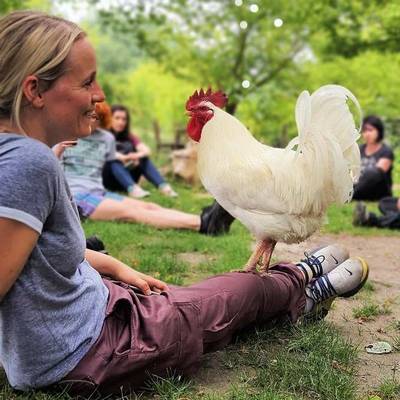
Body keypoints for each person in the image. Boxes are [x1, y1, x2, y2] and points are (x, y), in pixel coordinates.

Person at [0, 10, 369, 398]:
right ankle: (300, 285)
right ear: (35, 91)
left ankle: (291, 279)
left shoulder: (19, 155)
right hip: (94, 349)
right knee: (225, 297)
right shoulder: (29, 162)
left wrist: (115, 267)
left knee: (186, 296)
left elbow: (32, 254)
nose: (100, 95)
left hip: (93, 313)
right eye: (87, 81)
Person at [54, 101, 232, 233]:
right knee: (132, 212)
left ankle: (207, 218)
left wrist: (133, 159)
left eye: (97, 118)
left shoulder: (106, 138)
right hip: (76, 198)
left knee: (148, 206)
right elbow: (47, 168)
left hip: (98, 192)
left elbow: (114, 160)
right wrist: (60, 148)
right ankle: (202, 223)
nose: (93, 121)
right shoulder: (64, 134)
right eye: (89, 116)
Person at [103, 104, 178, 198]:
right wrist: (123, 157)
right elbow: (104, 152)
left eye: (124, 119)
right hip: (109, 179)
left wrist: (136, 156)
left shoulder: (129, 136)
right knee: (113, 160)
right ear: (110, 118)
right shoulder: (103, 135)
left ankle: (165, 188)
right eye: (117, 118)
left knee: (143, 158)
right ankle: (133, 189)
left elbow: (147, 150)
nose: (121, 122)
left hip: (126, 177)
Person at [353, 115, 394, 201]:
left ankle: (351, 195)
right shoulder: (359, 150)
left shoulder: (386, 151)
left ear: (379, 131)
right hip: (359, 189)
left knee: (373, 173)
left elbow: (377, 174)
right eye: (364, 131)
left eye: (370, 130)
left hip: (378, 192)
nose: (367, 134)